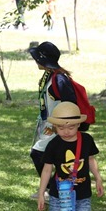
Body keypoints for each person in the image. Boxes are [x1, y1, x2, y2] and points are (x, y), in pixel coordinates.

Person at [37, 102, 104, 211]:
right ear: (55, 127)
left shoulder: (87, 140)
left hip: (82, 195)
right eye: (61, 128)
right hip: (59, 195)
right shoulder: (53, 144)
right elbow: (46, 169)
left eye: (71, 127)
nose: (66, 131)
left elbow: (90, 160)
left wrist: (98, 178)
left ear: (78, 125)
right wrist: (41, 193)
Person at [28, 41, 77, 200]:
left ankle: (52, 190)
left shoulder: (59, 79)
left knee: (37, 154)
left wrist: (62, 126)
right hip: (49, 126)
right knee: (51, 158)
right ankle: (56, 190)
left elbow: (70, 103)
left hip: (59, 127)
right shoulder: (50, 75)